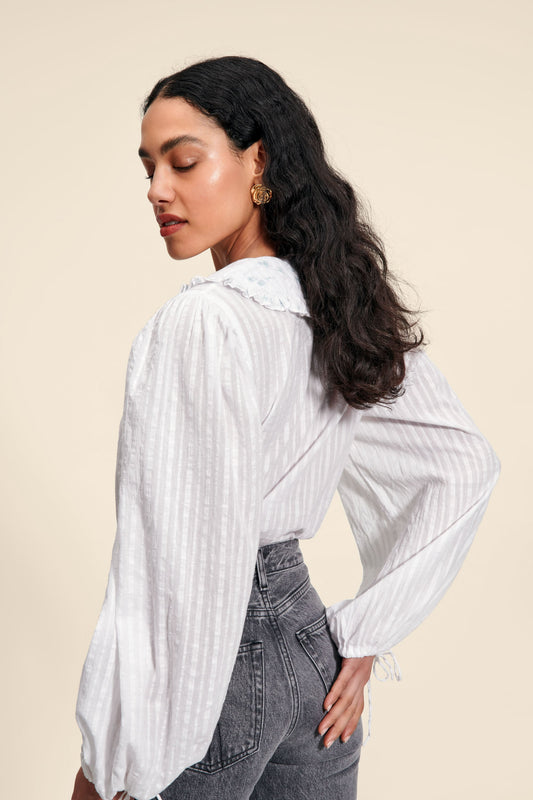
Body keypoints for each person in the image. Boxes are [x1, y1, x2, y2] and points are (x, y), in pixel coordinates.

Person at [71, 56, 500, 800]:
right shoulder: (336, 306)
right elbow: (462, 463)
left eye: (182, 162)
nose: (156, 190)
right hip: (310, 652)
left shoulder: (205, 320)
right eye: (148, 168)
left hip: (210, 672)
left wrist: (115, 765)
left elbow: (184, 565)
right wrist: (361, 637)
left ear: (258, 162)